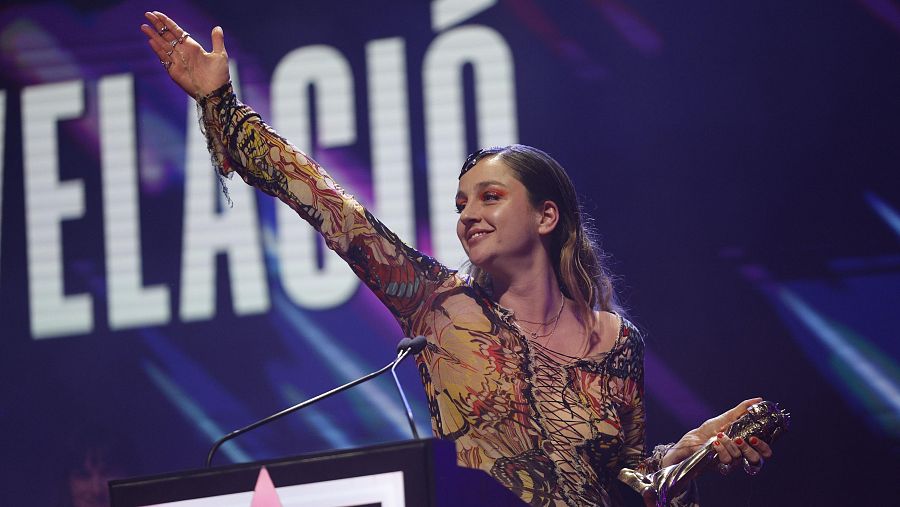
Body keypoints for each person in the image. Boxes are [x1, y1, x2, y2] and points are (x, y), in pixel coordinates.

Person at [140, 11, 774, 506]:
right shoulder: (437, 306)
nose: (468, 213)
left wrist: (694, 450)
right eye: (460, 202)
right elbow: (328, 203)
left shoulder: (617, 342)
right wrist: (220, 100)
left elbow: (624, 480)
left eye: (491, 197)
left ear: (548, 216)